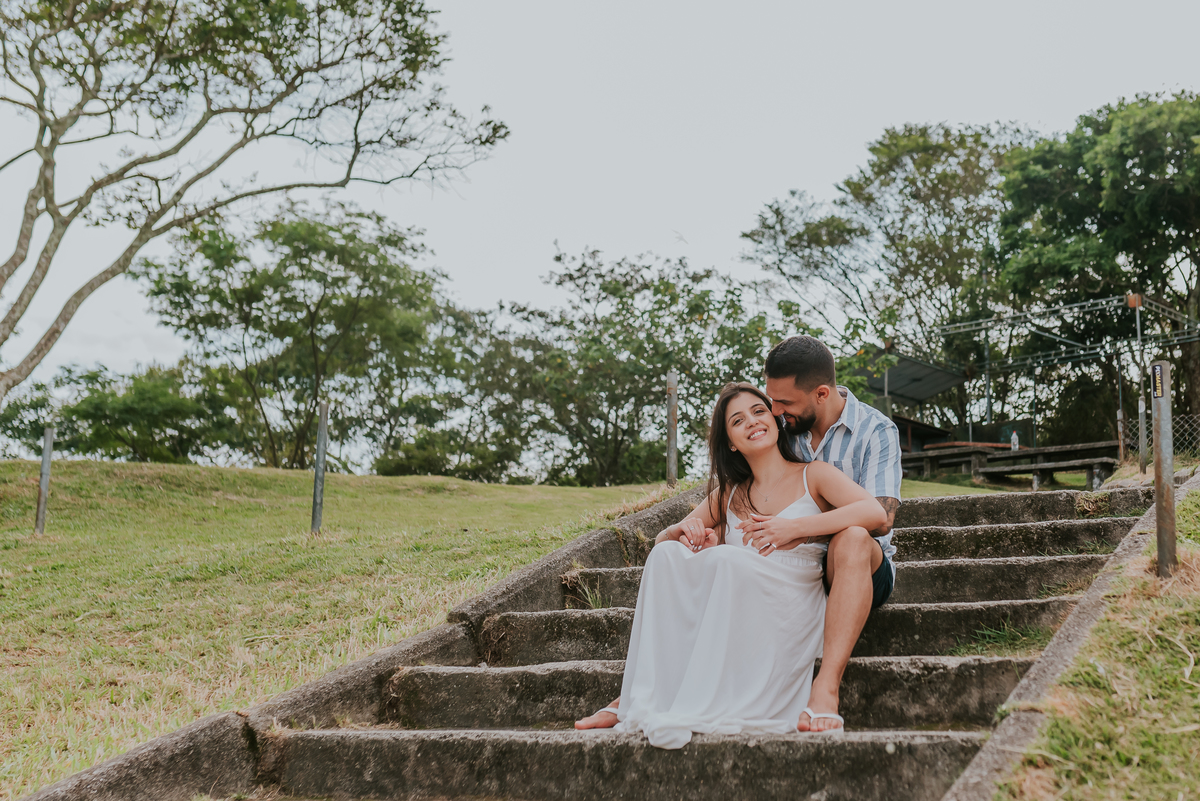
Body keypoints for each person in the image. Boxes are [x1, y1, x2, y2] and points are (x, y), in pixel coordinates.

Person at [577, 382, 886, 747]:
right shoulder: (728, 493)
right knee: (666, 555)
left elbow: (874, 512)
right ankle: (639, 694)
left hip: (791, 598)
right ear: (732, 443)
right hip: (741, 599)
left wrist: (794, 528)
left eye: (758, 411)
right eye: (738, 421)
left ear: (775, 420)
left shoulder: (813, 474)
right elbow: (664, 543)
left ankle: (647, 697)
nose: (752, 422)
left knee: (725, 558)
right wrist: (687, 534)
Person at [755, 335, 901, 732]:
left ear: (821, 393)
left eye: (784, 402)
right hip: (790, 567)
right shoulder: (783, 428)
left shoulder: (876, 430)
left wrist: (800, 528)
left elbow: (882, 518)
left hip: (860, 566)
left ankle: (826, 688)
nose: (775, 410)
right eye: (772, 399)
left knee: (852, 537)